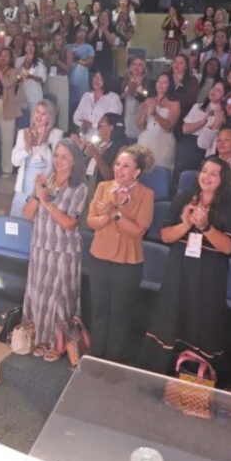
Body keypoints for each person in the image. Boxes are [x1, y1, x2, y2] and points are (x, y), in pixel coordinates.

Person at [138, 156, 231, 375]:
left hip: (209, 275)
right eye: (204, 171)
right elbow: (165, 235)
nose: (207, 176)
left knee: (202, 326)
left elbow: (229, 247)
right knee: (170, 321)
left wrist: (205, 226)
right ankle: (158, 384)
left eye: (214, 173)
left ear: (224, 179)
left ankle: (192, 389)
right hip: (179, 270)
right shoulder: (184, 197)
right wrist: (186, 223)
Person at [86, 145, 155, 364]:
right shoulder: (103, 187)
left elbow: (139, 230)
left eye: (126, 166)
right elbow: (90, 221)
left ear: (137, 172)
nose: (119, 169)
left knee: (120, 315)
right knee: (99, 311)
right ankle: (95, 359)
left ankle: (113, 363)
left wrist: (115, 213)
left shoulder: (146, 194)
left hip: (128, 262)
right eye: (117, 164)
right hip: (99, 258)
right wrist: (107, 216)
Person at [21, 139, 88, 362]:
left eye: (64, 157)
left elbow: (69, 223)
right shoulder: (46, 181)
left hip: (63, 251)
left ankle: (58, 343)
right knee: (40, 295)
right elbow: (27, 214)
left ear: (74, 162)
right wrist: (36, 194)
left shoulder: (80, 187)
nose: (58, 161)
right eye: (57, 155)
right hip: (41, 247)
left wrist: (45, 200)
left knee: (59, 297)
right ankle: (40, 338)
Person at [10, 100, 63, 218]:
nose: (39, 116)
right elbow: (14, 161)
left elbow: (55, 164)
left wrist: (42, 144)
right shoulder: (23, 133)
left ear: (49, 117)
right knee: (15, 227)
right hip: (22, 192)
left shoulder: (56, 134)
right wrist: (27, 149)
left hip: (42, 193)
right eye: (37, 112)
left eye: (43, 114)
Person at [137, 73, 180, 170]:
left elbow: (169, 125)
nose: (160, 85)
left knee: (160, 170)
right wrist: (144, 113)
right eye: (159, 81)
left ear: (170, 85)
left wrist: (155, 114)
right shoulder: (149, 100)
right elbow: (139, 124)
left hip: (164, 141)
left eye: (164, 82)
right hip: (146, 139)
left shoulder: (174, 103)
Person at [72, 70, 123, 139]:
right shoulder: (86, 96)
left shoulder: (113, 98)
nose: (96, 81)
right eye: (94, 78)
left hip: (104, 138)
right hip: (85, 136)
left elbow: (112, 121)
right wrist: (83, 124)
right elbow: (76, 117)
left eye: (99, 78)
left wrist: (91, 124)